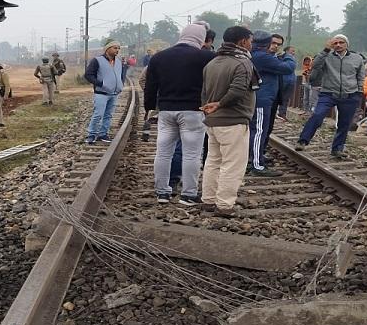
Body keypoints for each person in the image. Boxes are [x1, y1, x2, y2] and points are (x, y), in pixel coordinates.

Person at [143, 23, 217, 206]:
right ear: (201, 38)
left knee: (163, 152)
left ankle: (162, 192)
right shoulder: (207, 57)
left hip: (166, 111)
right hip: (193, 111)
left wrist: (150, 108)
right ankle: (188, 195)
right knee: (192, 154)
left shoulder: (159, 57)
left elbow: (150, 87)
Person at [200, 25, 259, 217]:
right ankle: (224, 205)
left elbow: (204, 92)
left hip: (213, 122)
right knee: (232, 164)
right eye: (250, 40)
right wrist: (220, 104)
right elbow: (238, 91)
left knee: (213, 161)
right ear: (242, 41)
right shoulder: (242, 63)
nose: (251, 44)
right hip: (233, 120)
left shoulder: (213, 62)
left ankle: (208, 201)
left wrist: (209, 108)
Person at [295, 34, 367, 158]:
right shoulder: (326, 56)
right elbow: (315, 65)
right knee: (317, 115)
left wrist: (359, 93)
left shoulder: (357, 58)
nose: (338, 45)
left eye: (341, 42)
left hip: (350, 95)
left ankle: (337, 149)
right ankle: (303, 140)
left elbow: (360, 77)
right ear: (331, 45)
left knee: (344, 123)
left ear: (347, 44)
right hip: (328, 93)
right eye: (335, 43)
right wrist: (326, 50)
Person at [246, 31, 296, 176]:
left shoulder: (254, 54)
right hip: (261, 99)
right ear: (266, 43)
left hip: (259, 98)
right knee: (258, 131)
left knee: (255, 130)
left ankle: (255, 158)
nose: (275, 46)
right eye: (272, 43)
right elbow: (288, 68)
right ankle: (257, 165)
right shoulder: (262, 57)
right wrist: (288, 55)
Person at [83, 40, 128, 144]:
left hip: (114, 93)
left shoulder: (119, 62)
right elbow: (88, 75)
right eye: (115, 48)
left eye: (118, 48)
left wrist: (120, 84)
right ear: (108, 49)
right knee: (98, 114)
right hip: (101, 94)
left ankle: (103, 134)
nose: (117, 50)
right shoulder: (97, 60)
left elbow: (121, 75)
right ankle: (91, 134)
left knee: (108, 115)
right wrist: (101, 84)